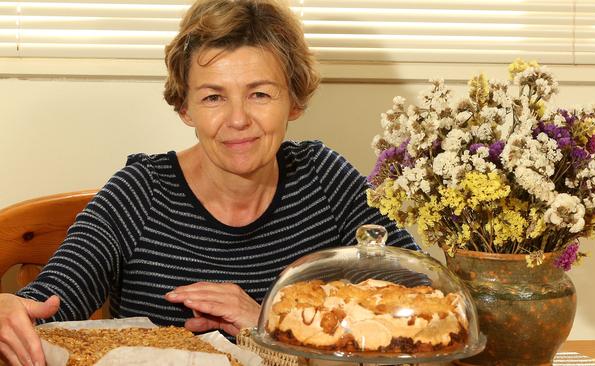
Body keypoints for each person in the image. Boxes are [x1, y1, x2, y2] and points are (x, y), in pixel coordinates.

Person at [0, 0, 417, 365]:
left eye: (259, 94)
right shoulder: (140, 192)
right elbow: (51, 302)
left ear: (294, 100)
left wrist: (272, 323)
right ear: (185, 107)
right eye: (214, 97)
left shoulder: (324, 179)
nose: (238, 120)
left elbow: (421, 295)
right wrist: (10, 310)